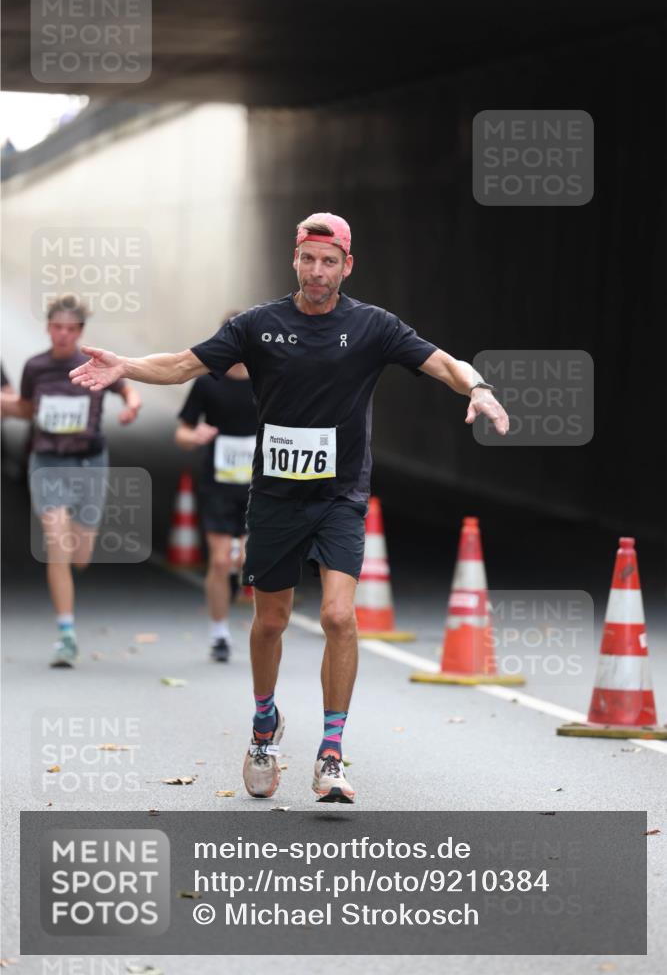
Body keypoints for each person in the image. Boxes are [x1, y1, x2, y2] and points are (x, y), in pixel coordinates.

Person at [69, 212, 508, 803]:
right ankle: (263, 726)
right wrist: (126, 366)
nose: (318, 271)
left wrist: (477, 387)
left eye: (330, 261)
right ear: (294, 259)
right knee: (270, 622)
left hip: (340, 496)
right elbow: (182, 365)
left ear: (347, 265)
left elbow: (442, 363)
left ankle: (331, 754)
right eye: (309, 259)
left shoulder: (374, 327)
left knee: (337, 616)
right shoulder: (259, 325)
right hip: (275, 497)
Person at [2, 294, 141, 667]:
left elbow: (125, 385)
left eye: (71, 329)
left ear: (80, 331)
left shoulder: (91, 364)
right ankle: (66, 635)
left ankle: (72, 595)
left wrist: (131, 403)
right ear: (48, 328)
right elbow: (27, 408)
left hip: (89, 463)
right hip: (46, 463)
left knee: (80, 555)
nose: (63, 335)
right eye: (57, 328)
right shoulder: (36, 367)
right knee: (57, 543)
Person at [175, 350, 257, 662]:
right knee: (220, 561)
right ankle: (219, 634)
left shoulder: (268, 379)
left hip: (259, 487)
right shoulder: (208, 383)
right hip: (218, 483)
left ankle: (239, 575)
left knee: (248, 561)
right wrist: (193, 435)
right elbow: (181, 432)